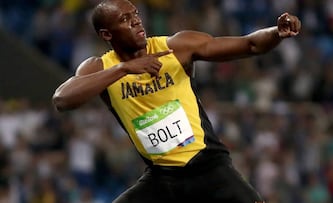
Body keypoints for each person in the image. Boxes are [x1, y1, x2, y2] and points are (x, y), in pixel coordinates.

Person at [52, 0, 301, 202]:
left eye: (135, 14)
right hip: (162, 178)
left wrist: (276, 32)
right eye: (125, 20)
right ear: (107, 34)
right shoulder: (100, 67)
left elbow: (251, 45)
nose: (137, 21)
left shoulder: (176, 47)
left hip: (209, 166)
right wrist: (125, 69)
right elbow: (62, 100)